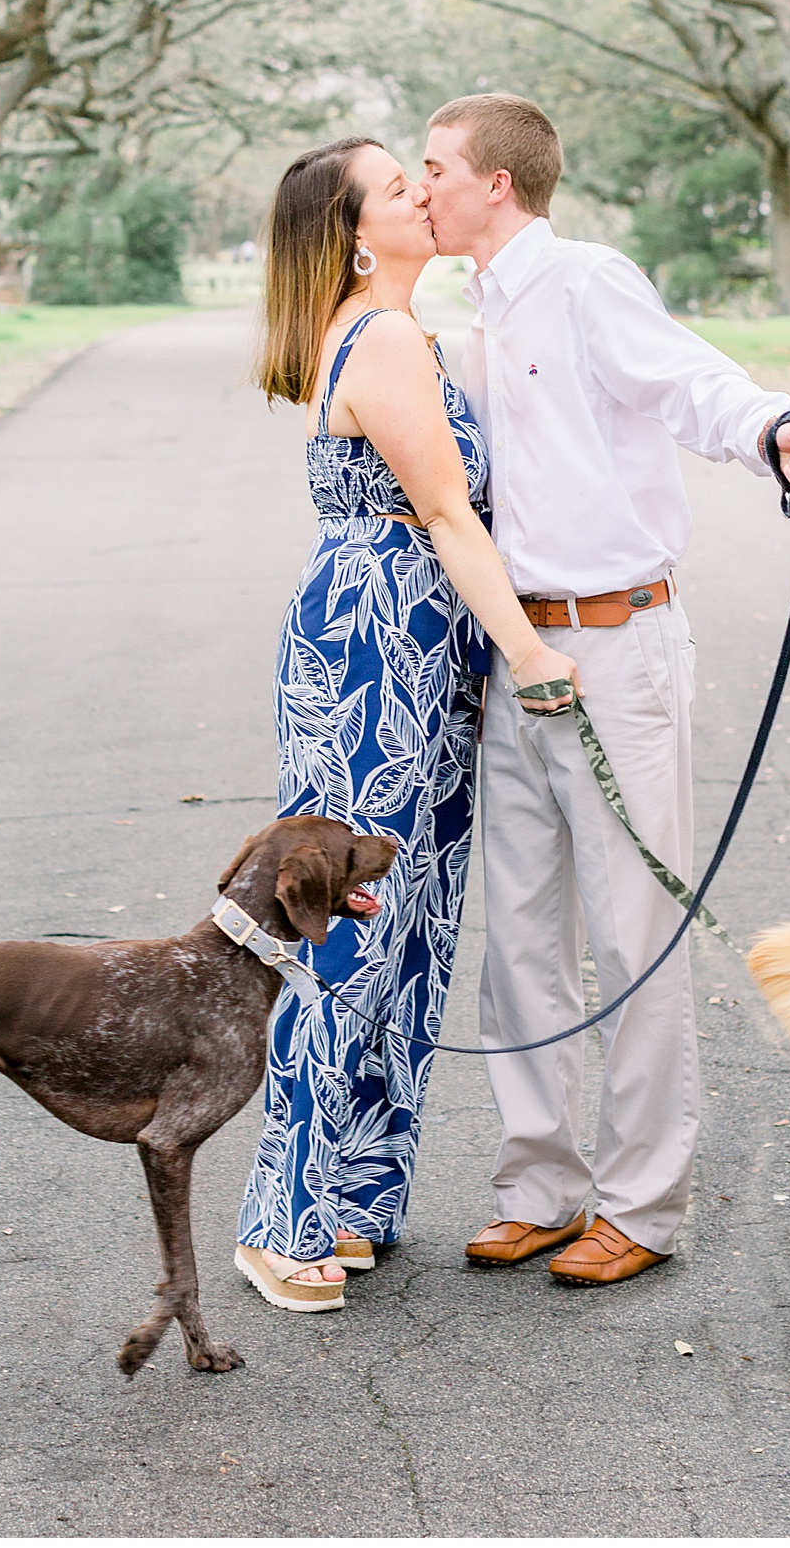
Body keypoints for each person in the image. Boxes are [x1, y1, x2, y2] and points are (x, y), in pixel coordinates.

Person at [420, 92, 790, 1287]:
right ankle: (540, 1185)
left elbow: (692, 381)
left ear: (497, 182)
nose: (425, 183)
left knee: (635, 927)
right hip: (515, 652)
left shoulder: (589, 279)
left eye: (439, 166)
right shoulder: (476, 309)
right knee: (523, 939)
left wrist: (776, 427)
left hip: (618, 646)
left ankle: (643, 1206)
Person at [233, 135, 574, 1314]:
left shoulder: (402, 333)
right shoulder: (378, 338)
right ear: (354, 233)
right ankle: (279, 1217)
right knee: (348, 928)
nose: (423, 191)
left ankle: (356, 1194)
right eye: (397, 185)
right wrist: (530, 651)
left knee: (417, 925)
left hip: (423, 652)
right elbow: (441, 510)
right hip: (370, 654)